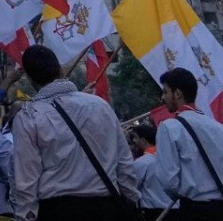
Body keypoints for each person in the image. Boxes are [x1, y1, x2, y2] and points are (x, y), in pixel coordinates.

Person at [10, 45, 136, 221]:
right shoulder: (100, 106)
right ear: (60, 69)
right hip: (108, 207)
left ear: (29, 78)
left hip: (58, 210)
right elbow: (124, 162)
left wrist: (26, 217)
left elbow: (26, 181)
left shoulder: (29, 117)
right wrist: (132, 200)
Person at [149, 68, 223, 220]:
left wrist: (195, 191)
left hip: (197, 211)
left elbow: (168, 181)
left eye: (165, 92)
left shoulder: (169, 128)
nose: (163, 97)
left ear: (177, 94)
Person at [127, 125, 170, 221]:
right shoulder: (169, 156)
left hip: (154, 211)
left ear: (143, 140)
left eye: (135, 137)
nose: (133, 141)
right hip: (175, 207)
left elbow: (132, 186)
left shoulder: (142, 163)